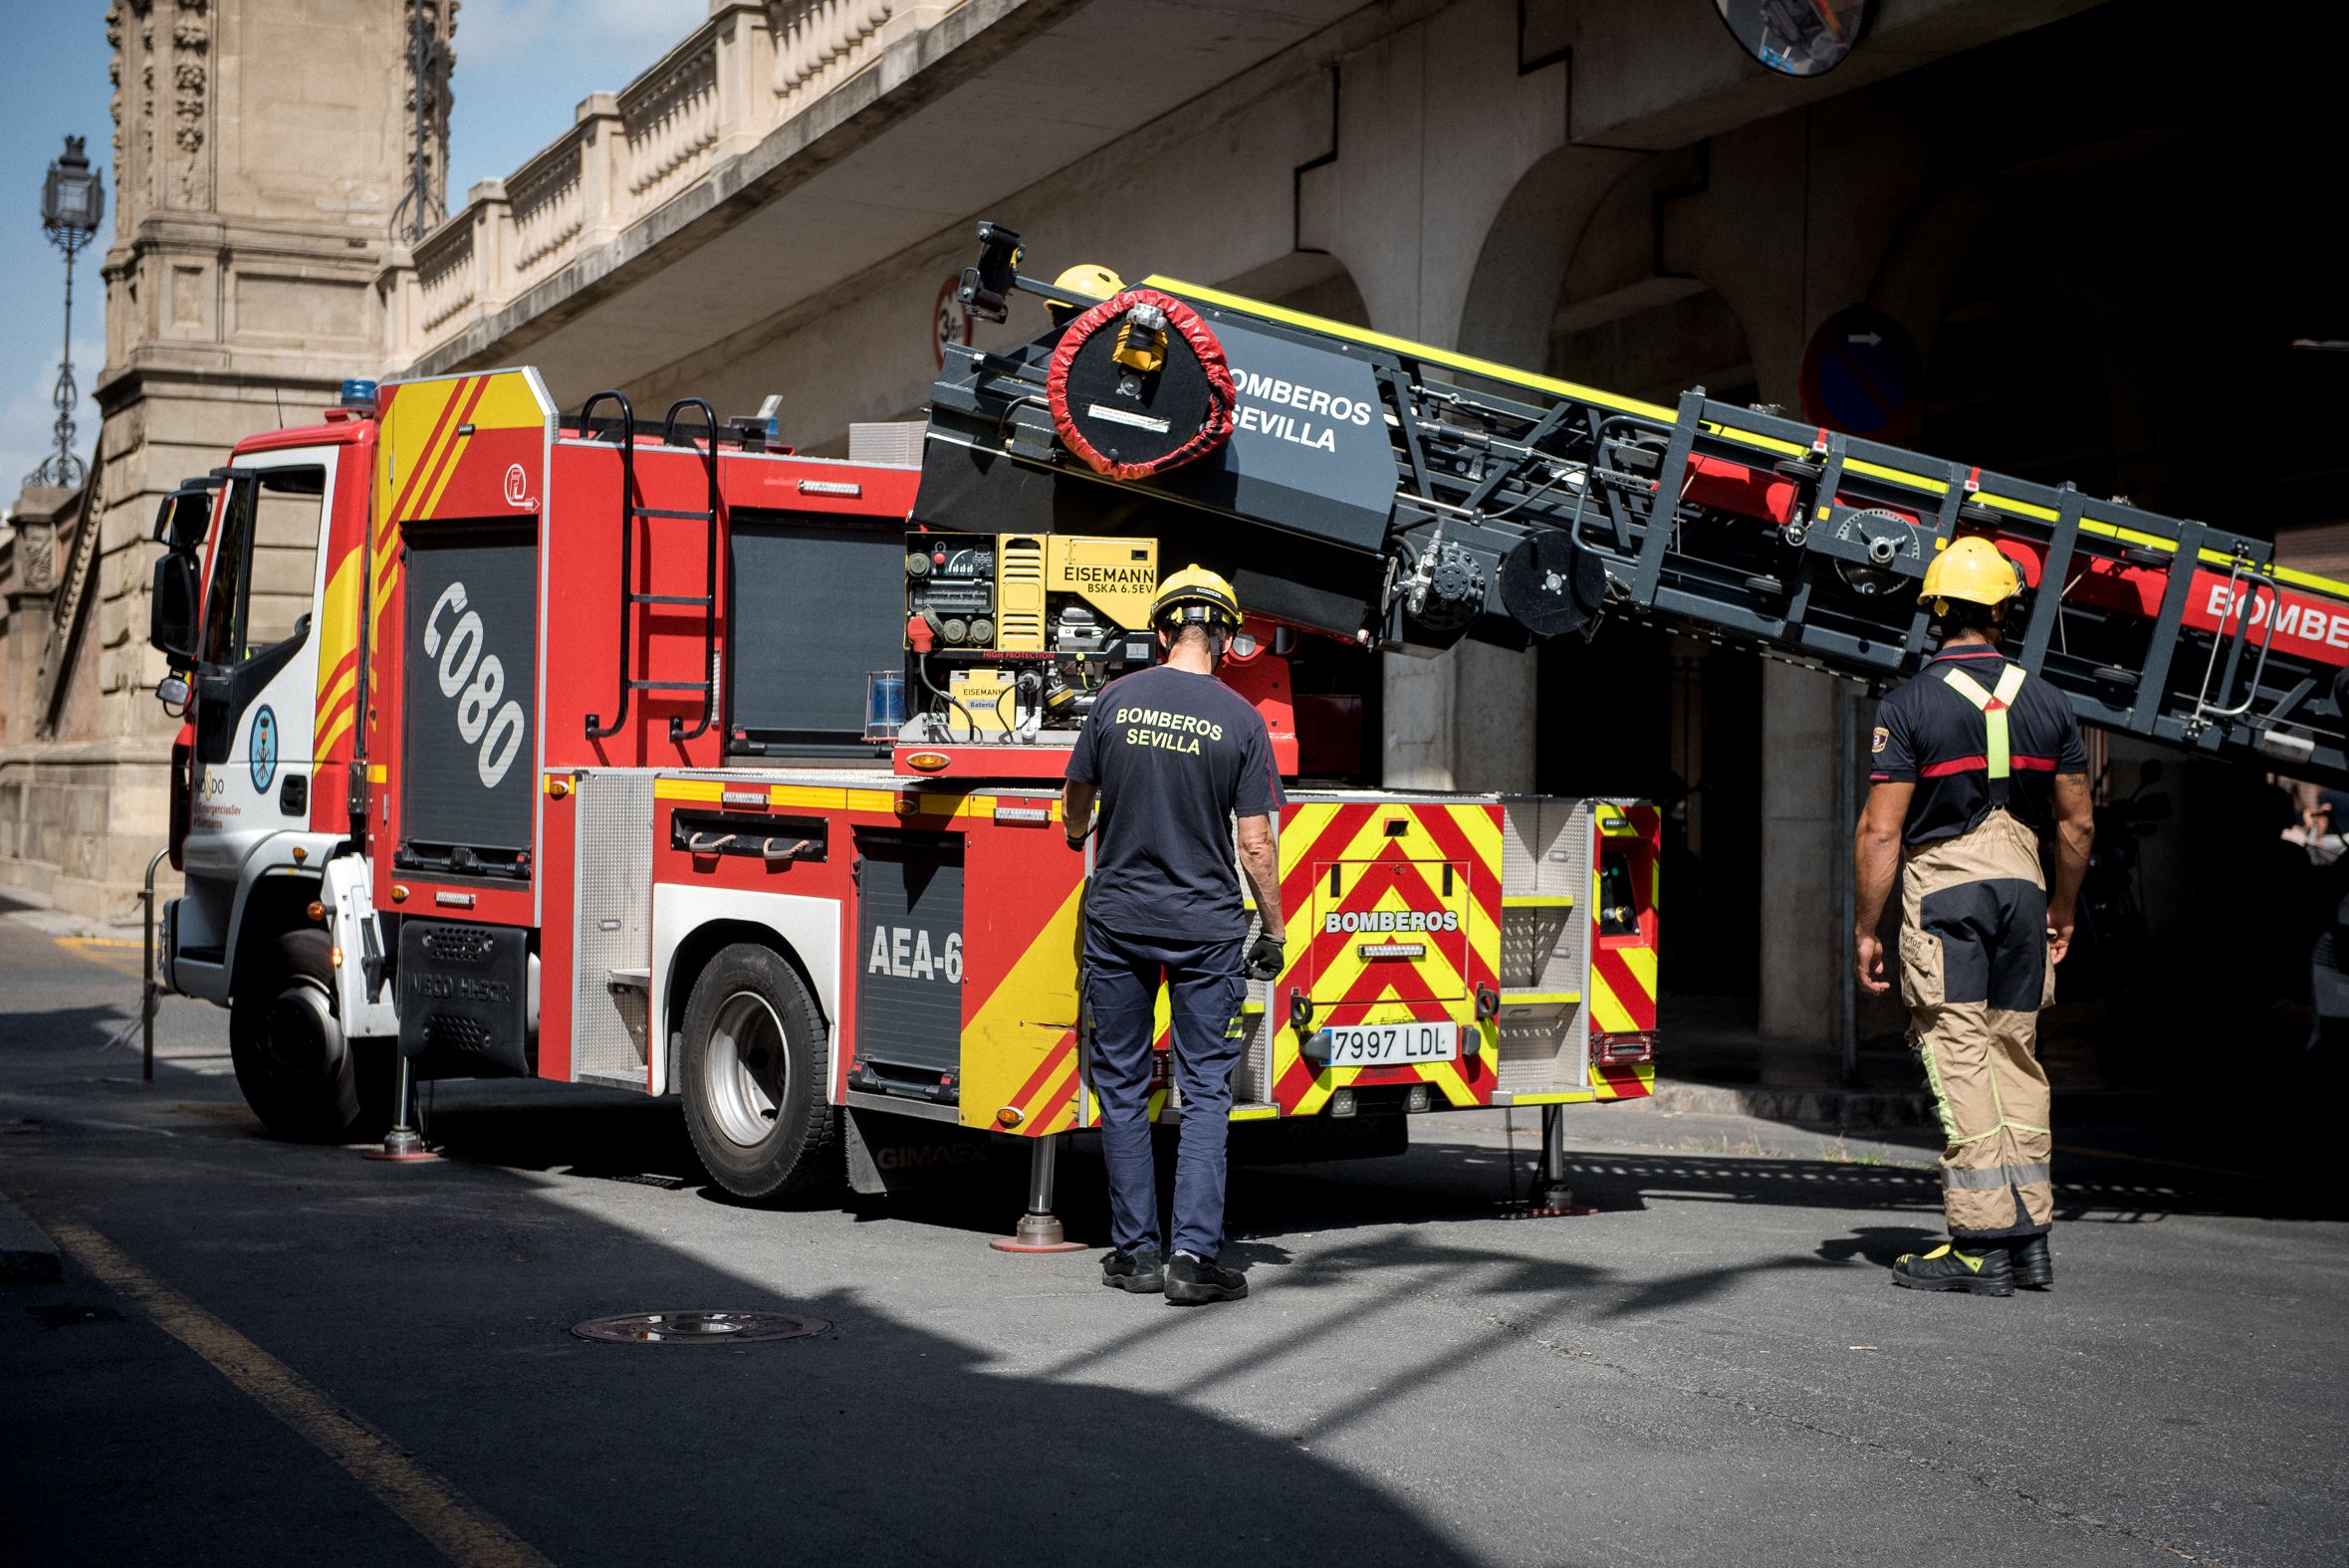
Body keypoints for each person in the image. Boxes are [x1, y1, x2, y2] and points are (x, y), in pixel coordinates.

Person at [1853, 536, 2095, 1296]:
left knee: (1958, 1055)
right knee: (2014, 1055)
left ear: (1934, 610)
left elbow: (1881, 830)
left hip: (1946, 892)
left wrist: (1866, 926)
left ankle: (1979, 1243)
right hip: (2023, 892)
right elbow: (2077, 823)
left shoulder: (1908, 704)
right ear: (2001, 612)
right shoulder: (2049, 701)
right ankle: (2028, 1240)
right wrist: (2061, 906)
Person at [1062, 564, 1286, 1306]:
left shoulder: (1115, 699)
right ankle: (1192, 1257)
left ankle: (1136, 1255)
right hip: (1205, 928)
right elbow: (1255, 842)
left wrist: (1076, 831)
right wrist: (1273, 928)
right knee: (1205, 1091)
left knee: (1122, 1086)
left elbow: (1077, 792)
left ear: (1161, 632)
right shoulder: (1241, 720)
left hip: (1119, 921)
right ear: (1223, 638)